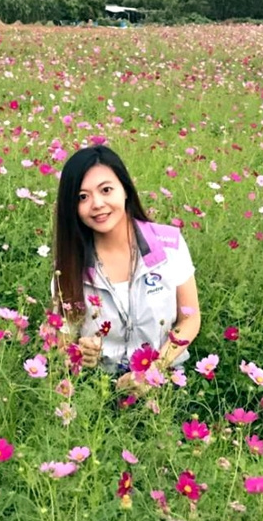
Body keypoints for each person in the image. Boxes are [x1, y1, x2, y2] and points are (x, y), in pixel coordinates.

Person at [50, 145, 201, 394]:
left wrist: (153, 371)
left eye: (106, 190)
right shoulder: (69, 264)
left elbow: (190, 318)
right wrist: (79, 353)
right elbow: (62, 342)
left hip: (165, 385)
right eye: (82, 197)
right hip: (98, 391)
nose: (97, 204)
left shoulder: (168, 245)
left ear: (125, 190)